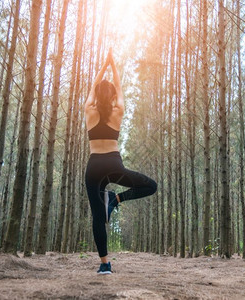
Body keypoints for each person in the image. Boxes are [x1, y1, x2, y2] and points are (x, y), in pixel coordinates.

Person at [84, 49, 157, 275]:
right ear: (113, 96)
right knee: (151, 186)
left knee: (98, 215)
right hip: (114, 167)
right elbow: (119, 86)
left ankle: (105, 264)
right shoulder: (119, 110)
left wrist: (103, 67)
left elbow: (93, 88)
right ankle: (116, 199)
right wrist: (113, 65)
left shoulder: (88, 110)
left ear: (96, 95)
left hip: (94, 167)